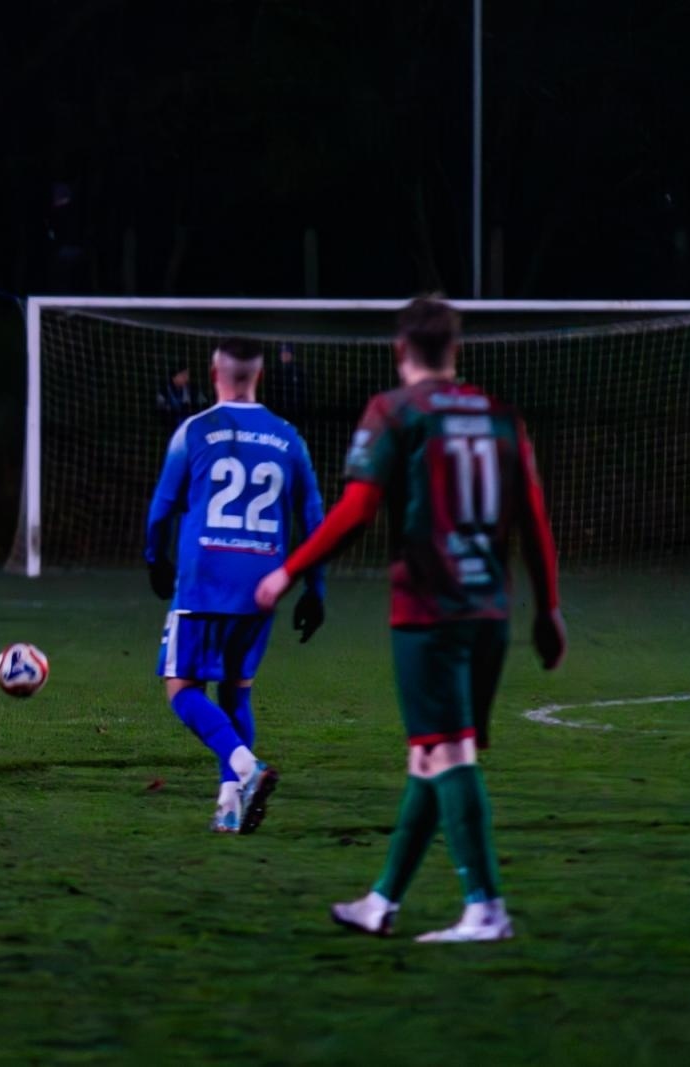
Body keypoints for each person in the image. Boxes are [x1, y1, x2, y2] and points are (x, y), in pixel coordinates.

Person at [255, 296, 565, 942]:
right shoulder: (500, 415)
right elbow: (533, 520)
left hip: (429, 608)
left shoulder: (396, 411)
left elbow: (357, 509)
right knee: (431, 753)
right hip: (490, 610)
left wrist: (289, 571)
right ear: (456, 350)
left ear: (400, 350)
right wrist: (549, 609)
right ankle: (381, 901)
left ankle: (486, 907)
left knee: (448, 750)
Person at [144, 338, 327, 834]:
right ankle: (229, 806)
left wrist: (154, 558)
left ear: (214, 374)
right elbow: (315, 521)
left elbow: (161, 508)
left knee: (181, 688)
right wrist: (315, 590)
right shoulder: (288, 437)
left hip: (203, 582)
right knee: (236, 691)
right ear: (260, 376)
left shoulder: (194, 430)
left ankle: (247, 768)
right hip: (261, 586)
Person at [266, 342, 309, 426]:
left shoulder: (299, 371)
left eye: (287, 352)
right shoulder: (273, 371)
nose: (284, 355)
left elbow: (304, 392)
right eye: (282, 352)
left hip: (295, 412)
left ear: (292, 355)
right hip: (277, 411)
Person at [156, 366, 204, 431]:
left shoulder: (193, 390)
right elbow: (161, 413)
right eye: (183, 375)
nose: (187, 378)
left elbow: (204, 405)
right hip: (171, 428)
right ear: (174, 377)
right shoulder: (163, 392)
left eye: (187, 375)